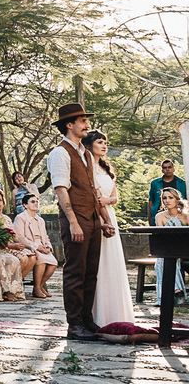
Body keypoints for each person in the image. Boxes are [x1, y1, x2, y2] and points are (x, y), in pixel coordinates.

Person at [48, 102, 112, 340]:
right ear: (69, 125)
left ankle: (86, 320)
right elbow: (62, 190)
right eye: (83, 121)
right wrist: (73, 222)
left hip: (93, 219)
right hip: (76, 219)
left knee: (91, 272)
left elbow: (93, 189)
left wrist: (103, 219)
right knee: (75, 272)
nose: (87, 125)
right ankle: (74, 325)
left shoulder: (85, 152)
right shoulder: (59, 153)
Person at [14, 194, 58, 299]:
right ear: (25, 205)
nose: (35, 203)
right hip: (29, 246)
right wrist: (36, 247)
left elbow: (46, 237)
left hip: (41, 246)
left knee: (54, 263)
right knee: (41, 260)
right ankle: (37, 289)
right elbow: (19, 237)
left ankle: (40, 285)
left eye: (37, 201)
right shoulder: (20, 218)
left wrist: (48, 246)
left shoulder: (40, 220)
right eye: (32, 202)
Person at [0, 188, 36, 280]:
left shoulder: (6, 218)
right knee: (23, 258)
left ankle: (16, 284)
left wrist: (30, 246)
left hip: (12, 245)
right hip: (0, 247)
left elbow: (16, 236)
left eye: (0, 200)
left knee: (32, 257)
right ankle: (9, 286)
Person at [154, 188, 189, 305]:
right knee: (162, 259)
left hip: (184, 249)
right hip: (167, 249)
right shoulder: (160, 216)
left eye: (170, 197)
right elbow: (160, 237)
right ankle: (176, 290)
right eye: (164, 198)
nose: (167, 200)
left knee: (165, 258)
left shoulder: (186, 217)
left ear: (177, 199)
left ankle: (165, 297)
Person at [149, 159, 186, 225]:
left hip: (179, 216)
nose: (167, 169)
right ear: (162, 170)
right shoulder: (155, 183)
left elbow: (185, 199)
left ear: (173, 169)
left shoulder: (182, 183)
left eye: (169, 167)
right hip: (159, 216)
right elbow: (151, 201)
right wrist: (150, 219)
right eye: (165, 168)